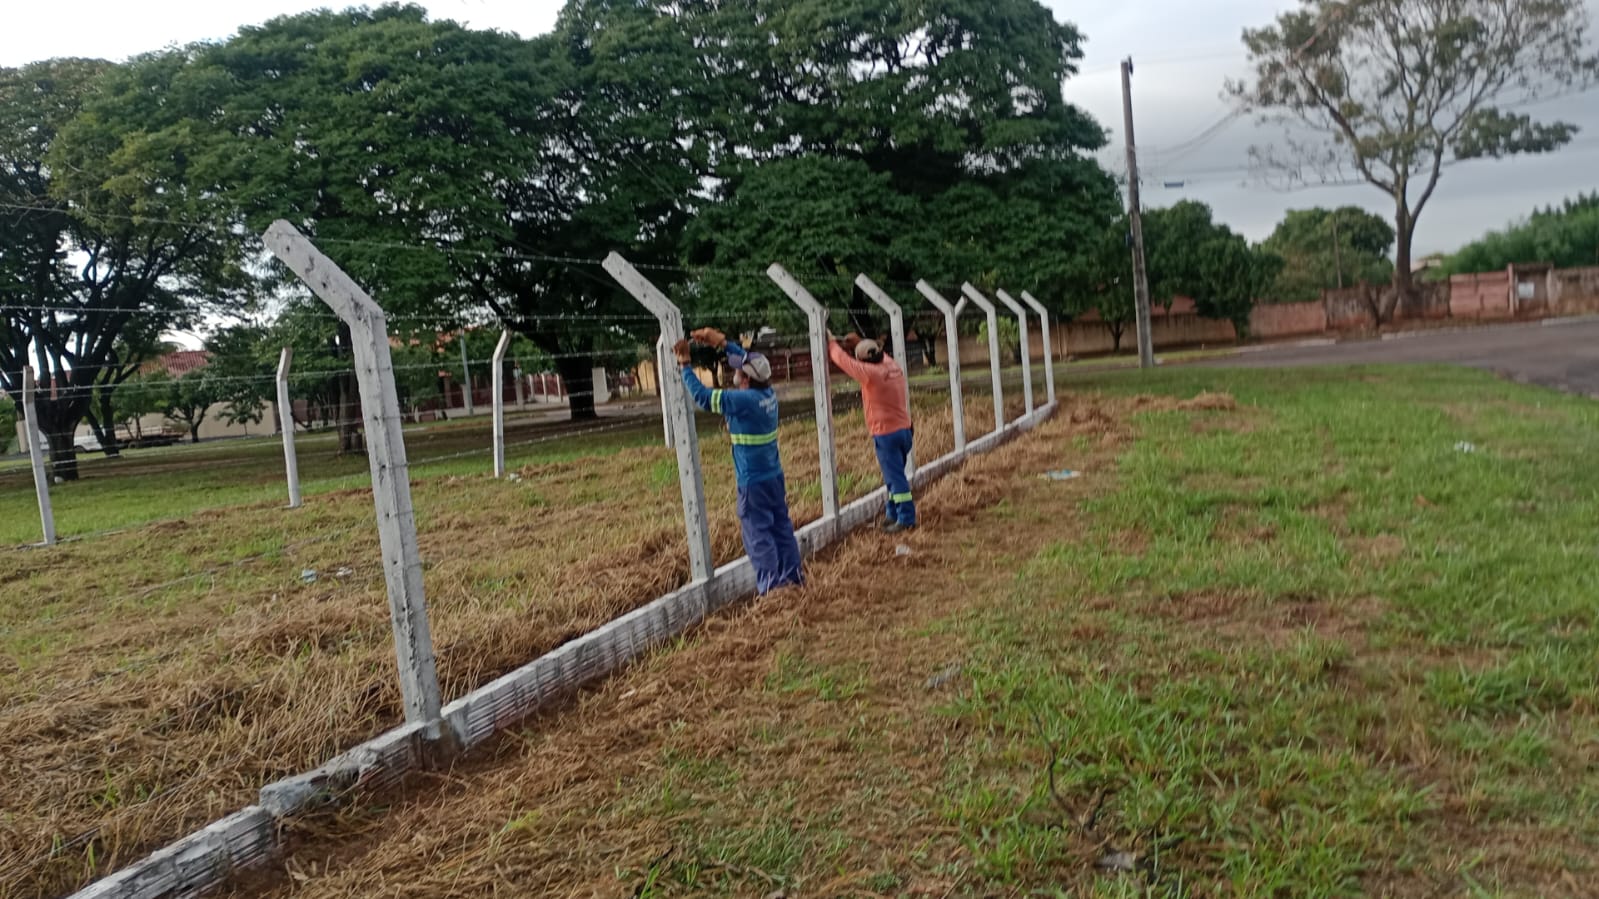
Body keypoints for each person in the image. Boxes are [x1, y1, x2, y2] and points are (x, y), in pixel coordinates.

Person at [675, 327, 804, 595]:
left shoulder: (743, 400)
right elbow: (748, 360)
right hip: (773, 477)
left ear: (746, 379)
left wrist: (685, 366)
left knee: (758, 535)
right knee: (781, 528)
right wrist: (722, 343)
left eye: (739, 371)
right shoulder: (767, 395)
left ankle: (772, 589)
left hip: (752, 483)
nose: (735, 372)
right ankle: (793, 578)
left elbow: (703, 398)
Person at [827, 333, 916, 532]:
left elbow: (842, 360)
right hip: (904, 430)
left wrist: (831, 342)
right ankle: (892, 513)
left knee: (896, 479)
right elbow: (873, 352)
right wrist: (860, 343)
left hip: (886, 434)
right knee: (893, 476)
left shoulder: (870, 374)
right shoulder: (891, 366)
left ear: (863, 361)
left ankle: (906, 518)